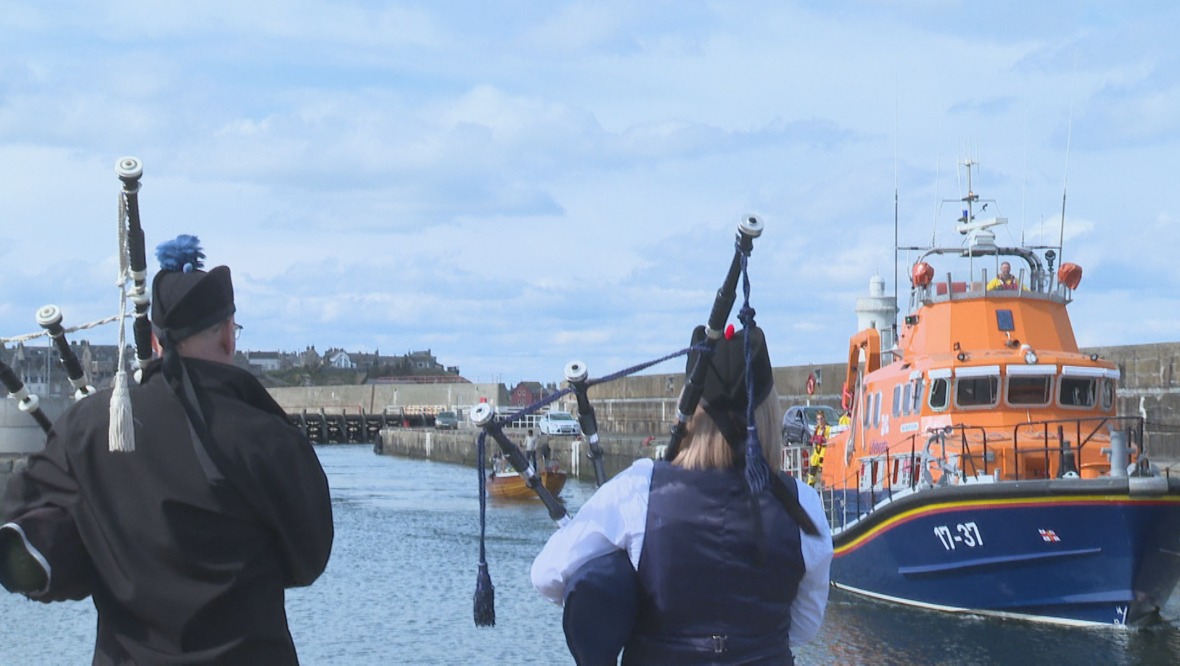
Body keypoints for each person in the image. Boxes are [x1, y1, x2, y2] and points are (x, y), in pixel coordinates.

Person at [0, 235, 334, 664]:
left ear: (156, 342)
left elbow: (22, 545)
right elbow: (309, 560)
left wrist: (103, 553)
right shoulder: (267, 437)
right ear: (229, 336)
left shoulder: (85, 428)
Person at [532, 325, 832, 665]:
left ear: (688, 413)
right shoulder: (803, 505)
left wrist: (625, 591)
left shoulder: (639, 489)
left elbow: (546, 576)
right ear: (768, 413)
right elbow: (804, 627)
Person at [807, 411, 831, 488]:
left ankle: (825, 485)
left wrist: (822, 440)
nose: (820, 421)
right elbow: (813, 439)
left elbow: (828, 440)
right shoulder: (816, 429)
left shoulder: (828, 429)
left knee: (823, 469)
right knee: (812, 469)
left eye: (821, 419)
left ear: (824, 419)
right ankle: (810, 485)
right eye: (818, 419)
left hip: (824, 452)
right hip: (816, 452)